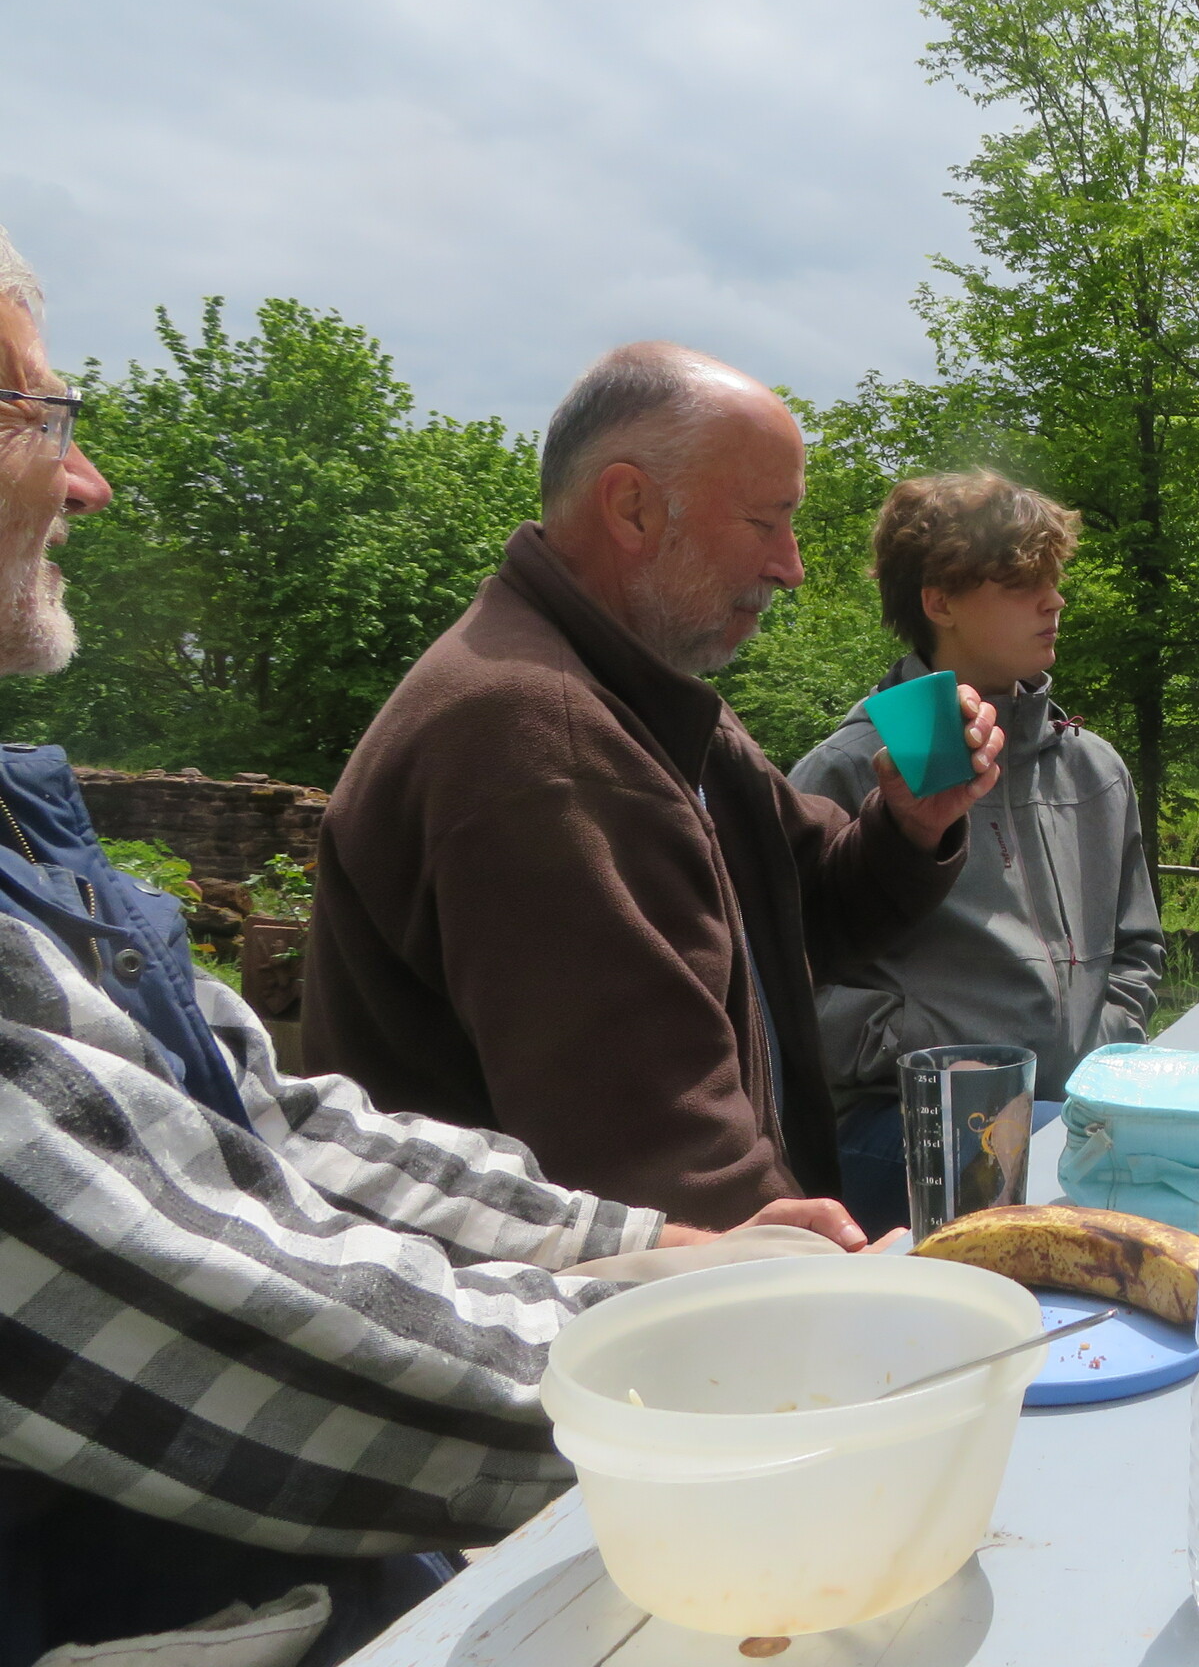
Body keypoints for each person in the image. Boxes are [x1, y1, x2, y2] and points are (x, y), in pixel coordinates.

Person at [0, 230, 883, 1667]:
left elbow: (270, 1125)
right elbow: (250, 1333)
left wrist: (662, 1257)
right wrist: (773, 1367)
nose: (87, 480)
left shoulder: (657, 710)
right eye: (28, 414)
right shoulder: (539, 734)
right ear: (633, 509)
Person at [305, 343, 1003, 1228]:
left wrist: (908, 827)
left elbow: (800, 906)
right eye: (765, 522)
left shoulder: (635, 696)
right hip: (540, 1306)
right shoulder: (546, 742)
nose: (790, 566)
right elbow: (662, 1162)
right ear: (631, 507)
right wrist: (817, 1273)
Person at [788, 472, 1163, 1232]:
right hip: (901, 1128)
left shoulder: (1094, 769)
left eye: (1053, 579)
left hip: (1071, 1110)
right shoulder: (852, 770)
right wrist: (924, 1050)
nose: (1055, 601)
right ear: (940, 601)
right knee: (1114, 1194)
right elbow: (784, 987)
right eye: (1023, 582)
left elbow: (1137, 949)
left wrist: (1098, 1049)